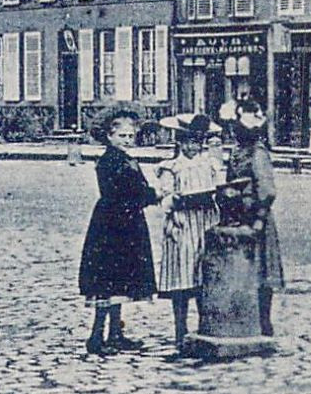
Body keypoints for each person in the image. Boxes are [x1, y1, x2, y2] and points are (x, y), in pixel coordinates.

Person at [78, 106, 159, 355]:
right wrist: (153, 195)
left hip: (127, 224)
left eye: (130, 136)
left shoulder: (127, 159)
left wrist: (149, 194)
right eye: (122, 136)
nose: (127, 140)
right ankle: (96, 336)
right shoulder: (109, 161)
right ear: (109, 136)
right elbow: (122, 193)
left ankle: (115, 333)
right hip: (112, 226)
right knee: (108, 281)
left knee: (120, 282)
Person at [153, 113, 224, 352]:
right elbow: (164, 199)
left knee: (206, 274)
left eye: (197, 142)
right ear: (180, 143)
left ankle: (206, 325)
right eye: (188, 142)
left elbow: (219, 190)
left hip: (206, 223)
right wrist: (178, 201)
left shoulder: (210, 164)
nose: (193, 147)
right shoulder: (170, 167)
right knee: (183, 277)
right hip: (182, 225)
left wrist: (215, 197)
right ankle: (180, 329)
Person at [223, 100, 284, 335]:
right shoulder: (237, 151)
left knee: (262, 271)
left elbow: (267, 190)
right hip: (238, 214)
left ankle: (264, 321)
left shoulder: (257, 152)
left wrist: (259, 216)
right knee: (245, 269)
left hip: (256, 216)